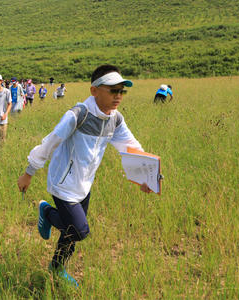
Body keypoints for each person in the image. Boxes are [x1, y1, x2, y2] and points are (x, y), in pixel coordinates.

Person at [17, 64, 152, 287]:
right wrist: (29, 172)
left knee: (70, 233)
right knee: (79, 231)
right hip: (63, 182)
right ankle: (47, 212)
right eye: (112, 90)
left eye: (121, 91)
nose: (118, 96)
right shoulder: (77, 115)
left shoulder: (115, 119)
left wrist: (146, 175)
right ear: (94, 90)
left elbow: (130, 147)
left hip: (84, 183)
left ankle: (57, 267)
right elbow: (51, 141)